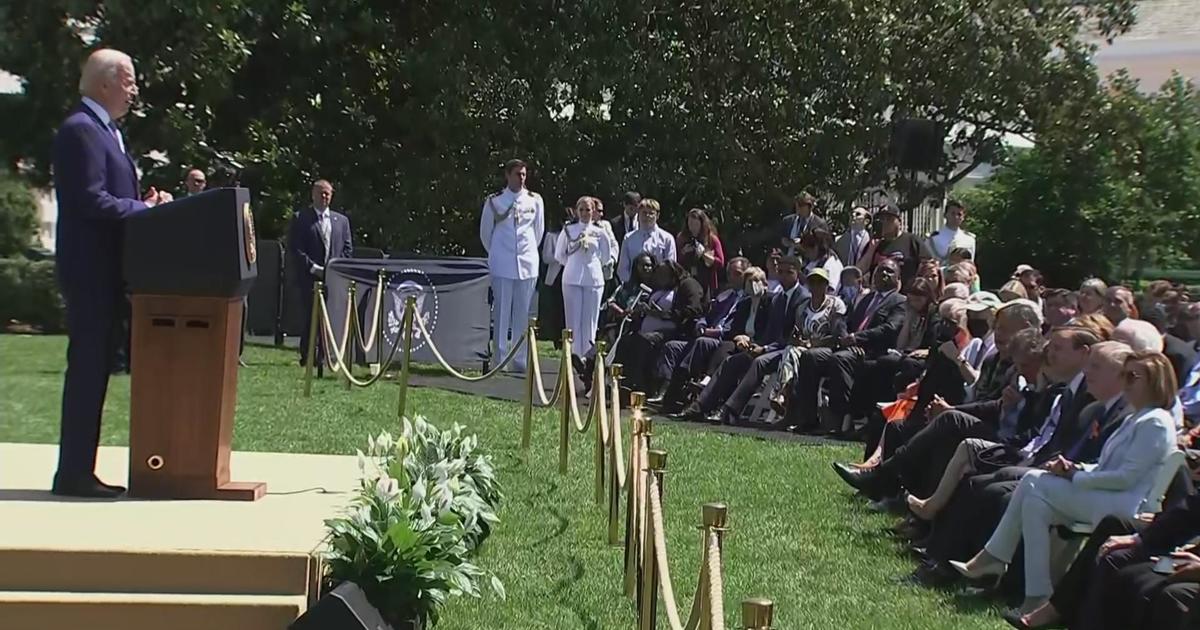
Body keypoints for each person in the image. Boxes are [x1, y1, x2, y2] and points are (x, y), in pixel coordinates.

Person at [951, 350, 1178, 616]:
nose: (1125, 382)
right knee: (1036, 503)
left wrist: (1075, 476)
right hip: (1106, 494)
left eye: (1132, 376)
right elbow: (1108, 468)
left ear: (1155, 380)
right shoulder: (1136, 418)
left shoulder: (1156, 422)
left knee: (1035, 481)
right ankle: (1036, 594)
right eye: (1123, 375)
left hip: (1124, 504)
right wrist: (1076, 468)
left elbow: (1126, 478)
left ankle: (994, 556)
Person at [52, 49, 173, 498]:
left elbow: (111, 196)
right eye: (129, 80)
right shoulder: (81, 131)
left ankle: (79, 469)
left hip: (109, 271)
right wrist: (144, 210)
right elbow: (89, 201)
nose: (134, 89)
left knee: (96, 370)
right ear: (105, 83)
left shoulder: (109, 131)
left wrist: (145, 205)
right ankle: (73, 474)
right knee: (87, 371)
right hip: (90, 273)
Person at [479, 159, 545, 373]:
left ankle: (520, 358)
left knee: (522, 313)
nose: (521, 178)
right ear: (507, 175)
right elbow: (485, 233)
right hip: (502, 262)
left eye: (524, 174)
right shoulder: (495, 201)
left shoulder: (535, 201)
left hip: (527, 262)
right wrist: (498, 254)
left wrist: (527, 254)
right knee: (501, 311)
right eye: (517, 174)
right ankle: (500, 357)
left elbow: (538, 232)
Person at [288, 179, 353, 367]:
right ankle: (308, 356)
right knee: (311, 317)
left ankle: (325, 356)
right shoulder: (301, 218)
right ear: (313, 194)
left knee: (329, 318)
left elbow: (347, 249)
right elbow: (296, 248)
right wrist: (313, 267)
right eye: (321, 193)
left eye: (328, 193)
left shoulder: (341, 221)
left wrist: (336, 269)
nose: (324, 196)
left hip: (333, 278)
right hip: (310, 277)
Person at [766, 268, 848, 414]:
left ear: (826, 285)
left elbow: (838, 335)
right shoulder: (803, 307)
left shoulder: (836, 304)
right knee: (791, 350)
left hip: (828, 349)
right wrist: (797, 340)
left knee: (793, 353)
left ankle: (783, 393)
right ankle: (786, 395)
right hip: (802, 349)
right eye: (812, 282)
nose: (816, 286)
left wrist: (815, 343)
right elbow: (796, 332)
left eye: (820, 282)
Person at [555, 196, 615, 361]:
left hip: (593, 279)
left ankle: (587, 358)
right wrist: (573, 264)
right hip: (571, 278)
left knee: (590, 321)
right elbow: (559, 254)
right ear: (576, 211)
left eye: (588, 210)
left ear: (593, 211)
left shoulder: (600, 232)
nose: (584, 213)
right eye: (581, 210)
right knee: (573, 321)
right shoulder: (569, 230)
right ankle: (572, 356)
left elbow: (606, 256)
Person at [859, 203, 932, 288]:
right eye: (881, 219)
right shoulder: (874, 244)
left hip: (905, 295)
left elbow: (928, 265)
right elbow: (860, 271)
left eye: (889, 219)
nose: (885, 222)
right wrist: (871, 250)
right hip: (879, 295)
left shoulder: (912, 240)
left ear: (899, 222)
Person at [617, 198, 676, 283]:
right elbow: (623, 268)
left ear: (657, 215)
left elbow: (671, 267)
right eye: (644, 213)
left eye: (651, 213)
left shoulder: (667, 239)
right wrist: (632, 284)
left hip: (660, 288)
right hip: (634, 289)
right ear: (638, 214)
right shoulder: (628, 238)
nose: (647, 216)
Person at [676, 208, 725, 298]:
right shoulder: (682, 238)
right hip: (687, 281)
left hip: (707, 283)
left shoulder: (712, 239)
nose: (692, 227)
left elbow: (720, 262)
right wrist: (683, 252)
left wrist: (704, 254)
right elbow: (676, 261)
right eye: (690, 224)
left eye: (695, 224)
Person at [778, 191, 829, 256]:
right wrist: (786, 242)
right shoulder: (788, 221)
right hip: (787, 260)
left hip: (808, 262)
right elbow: (780, 241)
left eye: (801, 204)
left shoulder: (819, 224)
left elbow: (822, 249)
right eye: (797, 203)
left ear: (810, 207)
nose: (798, 207)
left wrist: (802, 247)